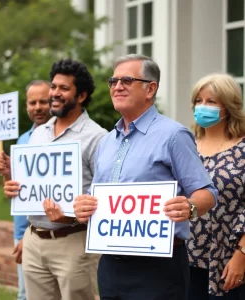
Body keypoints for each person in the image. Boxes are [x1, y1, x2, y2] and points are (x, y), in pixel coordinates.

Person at [73, 54, 218, 300]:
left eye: (127, 80)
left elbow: (207, 193)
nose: (117, 86)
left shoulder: (174, 135)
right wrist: (83, 206)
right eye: (113, 81)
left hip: (158, 268)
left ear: (150, 88)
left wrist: (190, 207)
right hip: (110, 265)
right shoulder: (106, 142)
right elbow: (96, 197)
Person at [2, 58, 107, 300]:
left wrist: (71, 213)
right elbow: (28, 185)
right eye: (53, 86)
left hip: (73, 241)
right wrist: (12, 186)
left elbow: (104, 197)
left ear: (80, 96)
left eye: (63, 88)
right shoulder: (38, 134)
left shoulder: (98, 138)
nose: (55, 93)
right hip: (34, 239)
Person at [185, 73, 245, 299]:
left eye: (211, 101)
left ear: (228, 106)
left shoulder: (242, 149)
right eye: (198, 101)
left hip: (230, 261)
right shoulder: (185, 145)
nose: (203, 107)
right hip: (186, 259)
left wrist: (241, 256)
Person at [0, 80, 51, 300]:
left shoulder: (60, 137)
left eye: (43, 101)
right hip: (21, 230)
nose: (37, 107)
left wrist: (32, 235)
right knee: (24, 294)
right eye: (32, 102)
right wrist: (7, 173)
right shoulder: (23, 139)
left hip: (42, 232)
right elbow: (17, 190)